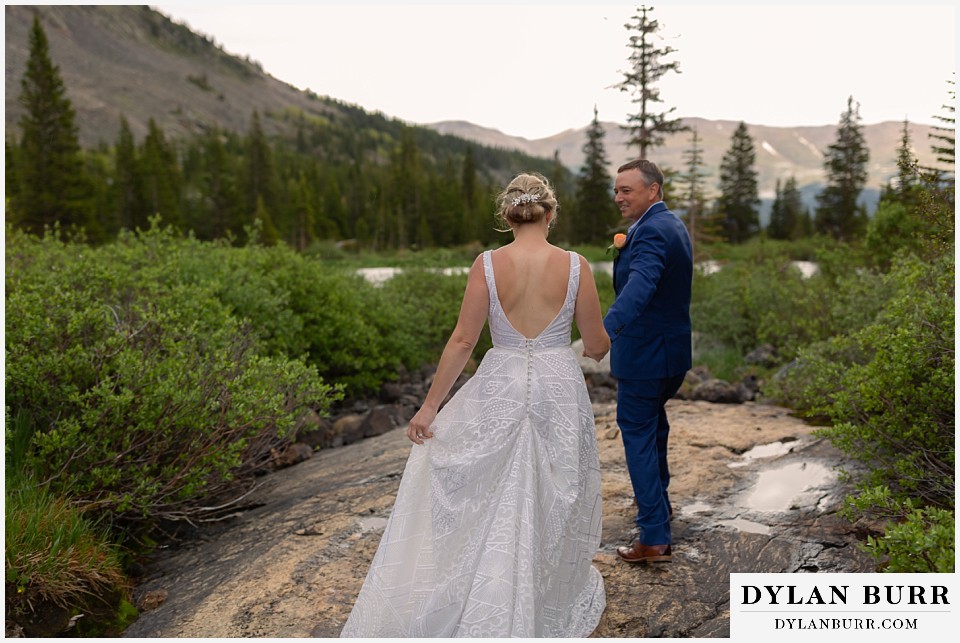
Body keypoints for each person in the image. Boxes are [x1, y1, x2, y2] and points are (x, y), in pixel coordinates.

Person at [340, 173, 610, 638]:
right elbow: (597, 346)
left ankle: (487, 596)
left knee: (491, 489)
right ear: (550, 214)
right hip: (558, 388)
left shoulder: (486, 263)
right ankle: (536, 600)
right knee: (554, 490)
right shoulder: (576, 266)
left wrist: (429, 408)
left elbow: (464, 340)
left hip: (500, 384)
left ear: (507, 217)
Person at [602, 159, 693, 564]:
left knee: (637, 435)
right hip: (671, 355)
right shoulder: (671, 223)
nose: (618, 197)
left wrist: (605, 332)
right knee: (653, 427)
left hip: (644, 356)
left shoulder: (652, 230)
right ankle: (662, 507)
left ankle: (654, 537)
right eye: (617, 190)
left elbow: (641, 285)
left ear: (653, 190)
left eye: (627, 190)